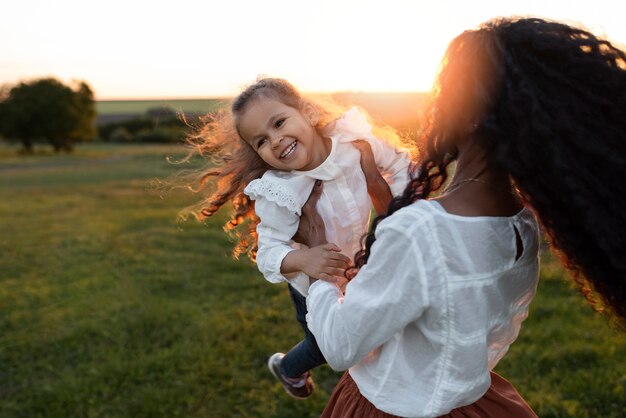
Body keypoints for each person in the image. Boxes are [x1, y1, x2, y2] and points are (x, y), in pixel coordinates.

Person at [299, 17, 626, 417]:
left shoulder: (423, 232)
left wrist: (318, 267)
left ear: (470, 113)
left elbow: (340, 345)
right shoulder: (521, 224)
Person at [183, 77, 411, 399]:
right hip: (310, 283)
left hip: (358, 265)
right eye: (261, 141)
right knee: (324, 347)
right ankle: (288, 368)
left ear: (306, 111)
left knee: (375, 327)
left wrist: (402, 211)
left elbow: (401, 165)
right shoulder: (281, 190)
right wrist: (305, 259)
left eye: (278, 123)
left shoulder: (353, 144)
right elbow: (268, 253)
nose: (275, 141)